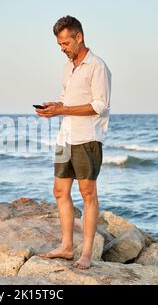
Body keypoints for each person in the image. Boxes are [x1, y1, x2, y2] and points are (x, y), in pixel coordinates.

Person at [35, 15, 112, 269]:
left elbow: (99, 106)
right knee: (59, 191)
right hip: (65, 137)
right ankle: (67, 247)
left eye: (66, 43)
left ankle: (87, 253)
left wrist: (63, 109)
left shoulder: (97, 67)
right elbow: (67, 100)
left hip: (87, 138)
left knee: (87, 194)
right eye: (59, 45)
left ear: (79, 37)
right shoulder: (68, 67)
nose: (63, 49)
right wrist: (56, 107)